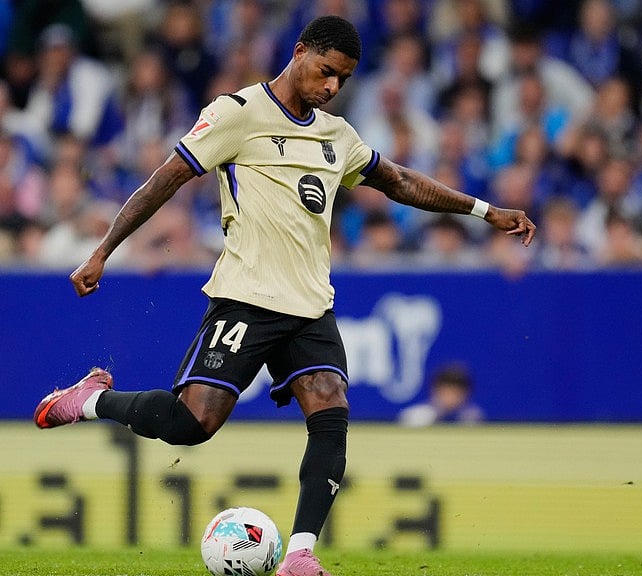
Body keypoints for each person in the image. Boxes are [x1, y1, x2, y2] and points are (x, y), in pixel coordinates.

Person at [32, 16, 535, 576]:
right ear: (299, 53)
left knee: (331, 406)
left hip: (310, 307)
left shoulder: (336, 136)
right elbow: (166, 179)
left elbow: (398, 181)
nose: (331, 88)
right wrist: (104, 249)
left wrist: (486, 211)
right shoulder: (238, 114)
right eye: (326, 72)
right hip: (246, 297)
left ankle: (299, 555)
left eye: (342, 79)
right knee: (190, 424)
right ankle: (90, 400)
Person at [397, 362, 484, 426]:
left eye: (456, 392)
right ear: (434, 390)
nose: (451, 397)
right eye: (446, 391)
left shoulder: (473, 417)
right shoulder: (416, 416)